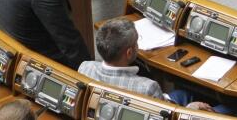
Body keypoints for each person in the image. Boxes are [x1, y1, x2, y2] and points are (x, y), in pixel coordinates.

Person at [79, 18, 224, 112]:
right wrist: (190, 109)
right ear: (129, 53)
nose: (138, 44)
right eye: (136, 41)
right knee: (226, 110)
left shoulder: (85, 67)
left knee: (184, 93)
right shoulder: (147, 87)